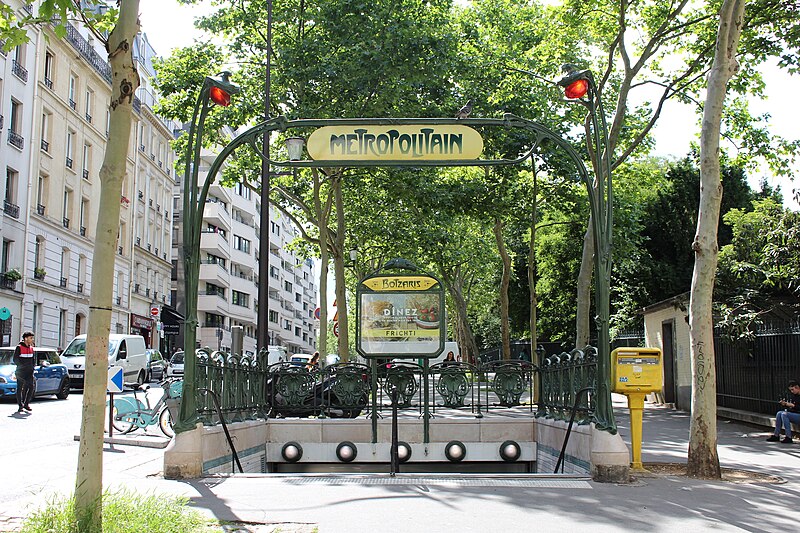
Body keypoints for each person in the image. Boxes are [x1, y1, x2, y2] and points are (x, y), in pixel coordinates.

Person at [13, 331, 36, 414]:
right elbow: (15, 359)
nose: (32, 339)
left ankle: (26, 403)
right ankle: (20, 405)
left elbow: (33, 360)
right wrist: (22, 366)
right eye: (30, 338)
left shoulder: (31, 348)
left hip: (29, 372)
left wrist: (32, 367)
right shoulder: (19, 347)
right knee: (20, 388)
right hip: (21, 372)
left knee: (31, 387)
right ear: (25, 338)